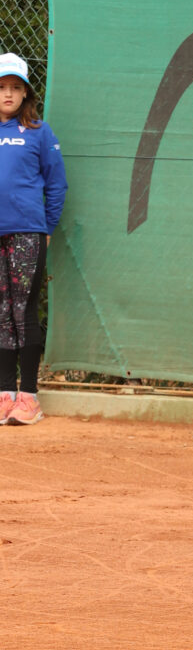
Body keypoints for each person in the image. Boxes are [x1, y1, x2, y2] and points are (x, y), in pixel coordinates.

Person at [0, 53, 67, 425]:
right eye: (2, 87)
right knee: (1, 311)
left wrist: (48, 229)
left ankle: (29, 398)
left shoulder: (40, 132)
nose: (8, 94)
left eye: (15, 87)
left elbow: (57, 184)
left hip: (28, 232)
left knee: (23, 312)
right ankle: (5, 394)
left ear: (26, 92)